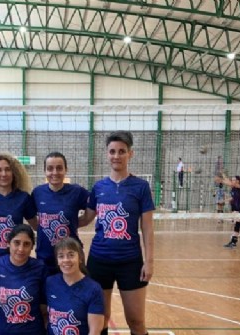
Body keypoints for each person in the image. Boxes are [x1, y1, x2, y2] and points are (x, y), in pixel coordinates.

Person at [83, 131, 154, 335]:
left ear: (130, 154)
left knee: (136, 321)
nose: (116, 156)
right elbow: (86, 219)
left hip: (130, 262)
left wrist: (149, 261)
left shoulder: (141, 187)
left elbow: (147, 228)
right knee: (100, 320)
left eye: (121, 151)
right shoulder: (98, 187)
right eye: (112, 151)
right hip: (99, 261)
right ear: (107, 154)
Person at [32, 152, 92, 274]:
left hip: (70, 256)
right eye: (50, 168)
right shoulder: (37, 193)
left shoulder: (77, 192)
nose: (54, 172)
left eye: (59, 168)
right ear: (45, 171)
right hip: (45, 257)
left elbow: (95, 206)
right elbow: (33, 220)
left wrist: (74, 223)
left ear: (66, 170)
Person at [0, 224, 47, 335]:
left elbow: (44, 310)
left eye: (26, 244)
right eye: (16, 243)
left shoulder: (40, 268)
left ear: (32, 247)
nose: (21, 249)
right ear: (8, 243)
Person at [0, 153, 37, 272]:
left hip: (13, 260)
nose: (3, 174)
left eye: (7, 170)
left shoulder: (23, 198)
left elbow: (36, 225)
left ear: (14, 173)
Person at [46, 237, 104, 335]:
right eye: (61, 256)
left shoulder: (94, 289)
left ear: (80, 258)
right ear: (57, 261)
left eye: (71, 255)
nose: (66, 260)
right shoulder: (50, 282)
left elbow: (95, 331)